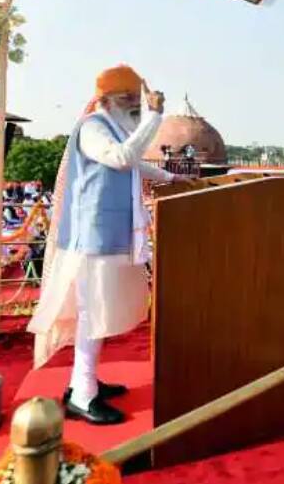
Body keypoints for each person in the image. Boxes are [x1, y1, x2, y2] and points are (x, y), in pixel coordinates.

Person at [27, 65, 193, 425]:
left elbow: (133, 164)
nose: (135, 105)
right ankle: (82, 396)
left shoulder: (116, 128)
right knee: (92, 313)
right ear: (105, 100)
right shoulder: (92, 128)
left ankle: (83, 383)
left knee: (100, 312)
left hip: (112, 236)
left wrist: (170, 176)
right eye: (129, 99)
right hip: (93, 239)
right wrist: (156, 116)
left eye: (137, 99)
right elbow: (122, 158)